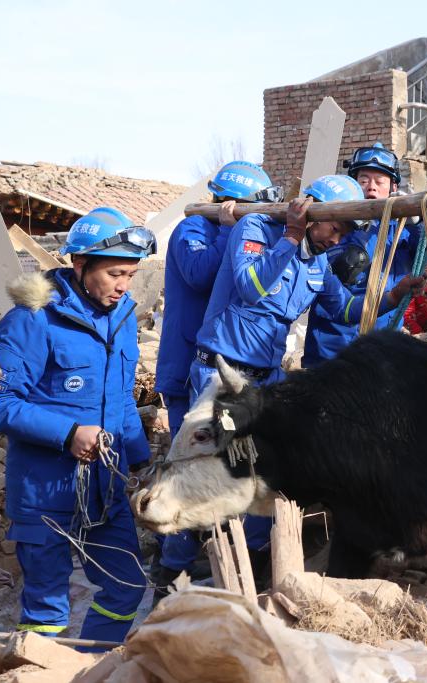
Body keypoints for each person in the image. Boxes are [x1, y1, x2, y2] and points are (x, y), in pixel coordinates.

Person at [188, 175, 422, 565]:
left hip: (264, 382)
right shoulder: (258, 229)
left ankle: (254, 559)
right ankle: (184, 563)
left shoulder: (316, 264)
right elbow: (250, 287)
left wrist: (394, 296)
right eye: (335, 227)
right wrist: (291, 238)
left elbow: (346, 309)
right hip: (221, 376)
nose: (337, 239)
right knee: (215, 468)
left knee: (265, 470)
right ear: (310, 211)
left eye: (346, 231)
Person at [0, 207, 155, 647]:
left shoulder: (122, 319)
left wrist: (141, 458)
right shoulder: (33, 319)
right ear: (80, 265)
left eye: (131, 275)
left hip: (105, 487)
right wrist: (68, 433)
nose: (123, 285)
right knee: (46, 610)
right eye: (115, 272)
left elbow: (119, 401)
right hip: (44, 492)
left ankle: (87, 663)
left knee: (127, 588)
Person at [152, 161, 280, 598]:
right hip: (188, 364)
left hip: (219, 368)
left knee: (232, 464)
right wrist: (230, 227)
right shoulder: (192, 231)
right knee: (187, 467)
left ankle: (229, 560)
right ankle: (170, 569)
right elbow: (200, 273)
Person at [302, 143, 427, 367]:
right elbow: (334, 265)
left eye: (379, 182)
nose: (371, 188)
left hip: (383, 345)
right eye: (363, 180)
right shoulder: (337, 224)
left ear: (393, 187)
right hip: (332, 346)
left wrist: (416, 221)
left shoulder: (401, 228)